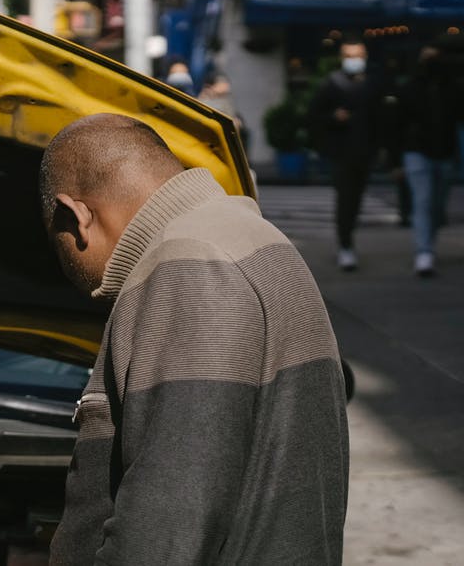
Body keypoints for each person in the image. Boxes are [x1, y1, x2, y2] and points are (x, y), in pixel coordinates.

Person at [40, 114, 349, 564]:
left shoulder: (186, 263)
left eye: (58, 245)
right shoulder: (243, 236)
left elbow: (169, 524)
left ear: (77, 215)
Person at [307, 38, 385, 271]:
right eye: (350, 56)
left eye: (359, 55)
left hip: (365, 151)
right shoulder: (332, 84)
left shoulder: (371, 83)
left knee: (356, 199)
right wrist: (334, 117)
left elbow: (380, 117)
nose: (355, 60)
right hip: (341, 153)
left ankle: (348, 241)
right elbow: (313, 117)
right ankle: (345, 245)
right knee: (346, 199)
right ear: (342, 58)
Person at [396, 43, 463, 277]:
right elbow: (398, 124)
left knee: (436, 205)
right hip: (417, 152)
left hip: (443, 152)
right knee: (423, 202)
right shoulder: (411, 88)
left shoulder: (451, 88)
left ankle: (428, 247)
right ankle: (424, 251)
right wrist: (395, 159)